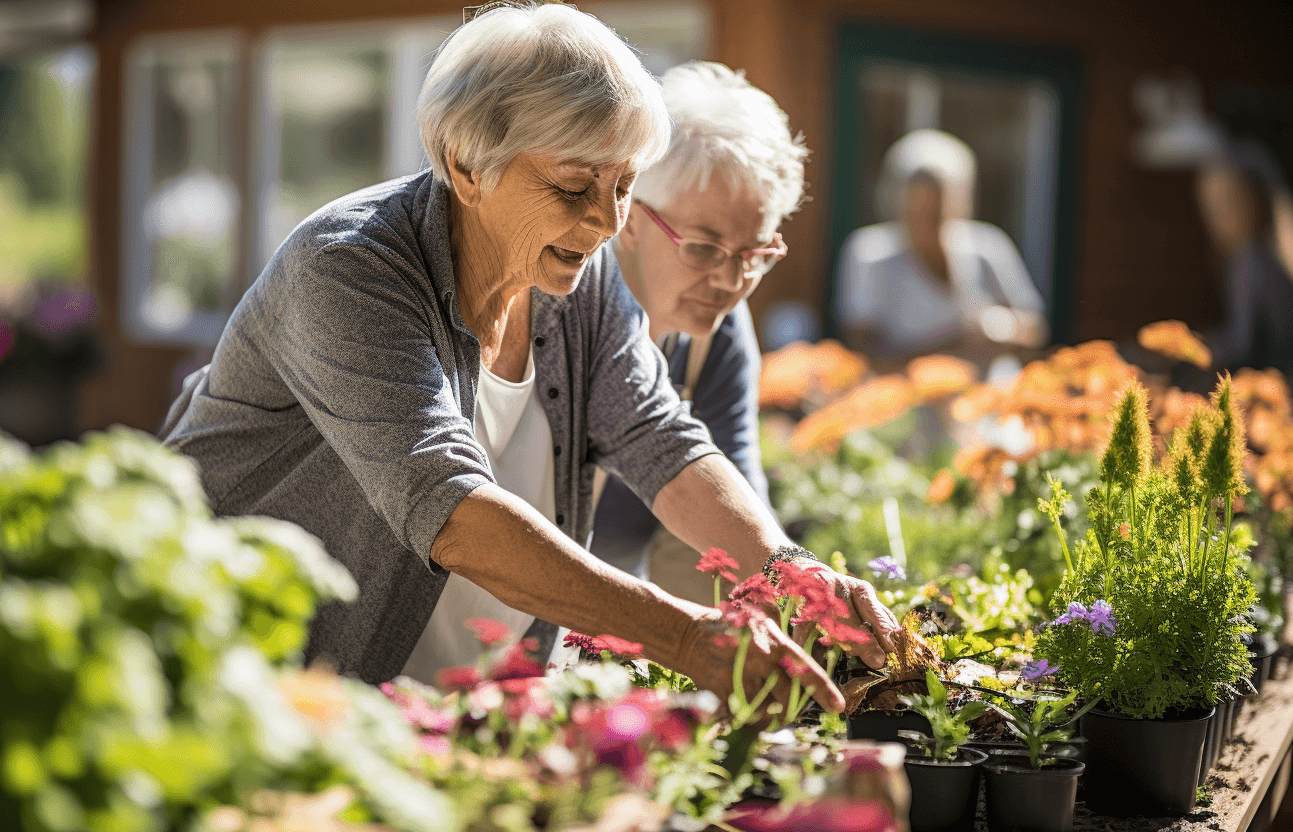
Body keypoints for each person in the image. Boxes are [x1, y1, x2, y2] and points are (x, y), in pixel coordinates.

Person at [159, 3, 896, 706]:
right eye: (574, 186)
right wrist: (680, 636)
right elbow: (450, 507)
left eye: (623, 186)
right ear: (466, 165)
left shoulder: (577, 273)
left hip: (454, 705)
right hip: (259, 685)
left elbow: (657, 436)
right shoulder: (348, 269)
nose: (605, 222)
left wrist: (790, 570)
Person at [591, 61, 804, 606]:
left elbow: (736, 505)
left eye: (754, 254)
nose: (731, 282)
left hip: (621, 604)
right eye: (705, 248)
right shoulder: (563, 310)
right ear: (629, 215)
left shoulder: (718, 333)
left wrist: (798, 601)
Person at [836, 129, 1047, 369]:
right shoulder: (870, 254)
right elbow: (864, 353)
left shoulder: (988, 247)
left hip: (989, 388)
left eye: (937, 212)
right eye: (917, 210)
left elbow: (1035, 330)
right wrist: (956, 344)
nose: (926, 223)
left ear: (960, 204)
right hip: (905, 389)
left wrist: (999, 326)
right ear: (896, 203)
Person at [1195, 140, 1293, 375]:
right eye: (1212, 210)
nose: (1220, 222)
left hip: (1278, 384)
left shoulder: (1250, 263)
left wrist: (1195, 348)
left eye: (1229, 206)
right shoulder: (1281, 258)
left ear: (1257, 201)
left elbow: (1241, 347)